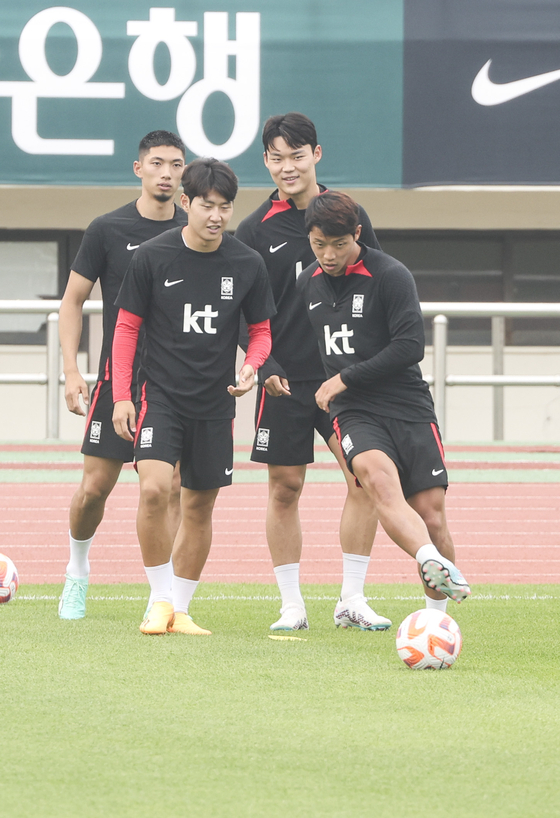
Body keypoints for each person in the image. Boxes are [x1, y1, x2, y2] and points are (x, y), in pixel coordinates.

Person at [235, 113, 390, 632]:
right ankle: (291, 605)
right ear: (266, 163)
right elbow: (244, 311)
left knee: (363, 480)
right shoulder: (254, 229)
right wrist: (267, 364)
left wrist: (364, 368)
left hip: (345, 381)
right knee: (284, 488)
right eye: (277, 158)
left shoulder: (349, 213)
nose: (288, 167)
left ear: (316, 155)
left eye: (297, 155)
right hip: (284, 379)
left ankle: (351, 598)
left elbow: (378, 288)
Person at [111, 158, 276, 635]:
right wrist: (123, 395)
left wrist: (252, 367)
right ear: (186, 203)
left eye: (225, 207)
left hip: (216, 403)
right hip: (160, 396)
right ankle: (159, 599)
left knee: (199, 507)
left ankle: (178, 610)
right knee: (154, 489)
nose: (217, 216)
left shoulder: (246, 262)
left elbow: (261, 331)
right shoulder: (153, 256)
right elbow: (126, 329)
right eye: (207, 205)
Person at [297, 190, 471, 607]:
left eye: (339, 244)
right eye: (319, 244)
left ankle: (436, 615)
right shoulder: (306, 282)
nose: (329, 254)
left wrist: (344, 377)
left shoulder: (391, 274)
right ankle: (430, 559)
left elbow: (410, 346)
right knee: (377, 483)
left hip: (408, 406)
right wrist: (266, 371)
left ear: (357, 233)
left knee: (432, 516)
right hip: (354, 412)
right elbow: (286, 337)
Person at [58, 130, 188, 620]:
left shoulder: (197, 230)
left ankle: (167, 593)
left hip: (174, 381)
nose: (167, 174)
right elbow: (73, 301)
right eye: (157, 163)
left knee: (168, 486)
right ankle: (76, 571)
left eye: (176, 165)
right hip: (119, 377)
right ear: (139, 169)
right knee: (96, 486)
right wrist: (72, 370)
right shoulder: (107, 229)